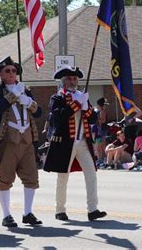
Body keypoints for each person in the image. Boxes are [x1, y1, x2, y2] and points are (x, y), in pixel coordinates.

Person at [43, 65, 107, 222]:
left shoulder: (82, 95)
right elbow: (59, 117)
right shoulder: (57, 98)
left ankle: (92, 209)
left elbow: (93, 119)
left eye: (75, 78)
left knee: (91, 175)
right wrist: (77, 105)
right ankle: (60, 210)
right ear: (64, 82)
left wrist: (87, 108)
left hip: (83, 142)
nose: (73, 81)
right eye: (70, 79)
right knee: (63, 177)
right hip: (65, 143)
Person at [0, 56, 43, 228]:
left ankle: (27, 213)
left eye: (14, 70)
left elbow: (39, 112)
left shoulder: (25, 89)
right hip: (8, 140)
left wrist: (29, 101)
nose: (12, 73)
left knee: (31, 177)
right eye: (8, 71)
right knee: (5, 178)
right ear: (1, 75)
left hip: (27, 139)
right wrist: (13, 95)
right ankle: (6, 215)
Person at [96, 97, 109, 166]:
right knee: (99, 146)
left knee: (101, 146)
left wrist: (97, 120)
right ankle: (101, 159)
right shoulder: (100, 111)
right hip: (100, 130)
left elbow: (103, 120)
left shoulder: (102, 111)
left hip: (101, 130)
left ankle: (104, 159)